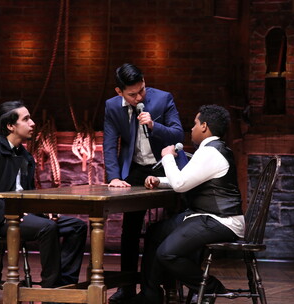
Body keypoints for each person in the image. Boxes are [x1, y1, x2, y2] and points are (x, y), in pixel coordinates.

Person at [0, 100, 87, 293]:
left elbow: (26, 193)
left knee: (77, 226)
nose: (33, 124)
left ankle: (65, 284)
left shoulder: (25, 156)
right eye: (26, 119)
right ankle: (51, 289)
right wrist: (5, 213)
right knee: (48, 228)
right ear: (10, 126)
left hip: (24, 216)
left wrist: (43, 211)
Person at [128, 104, 245, 304]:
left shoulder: (211, 152)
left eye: (194, 124)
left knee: (167, 253)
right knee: (155, 232)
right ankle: (151, 294)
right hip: (204, 216)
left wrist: (166, 158)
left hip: (222, 221)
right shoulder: (209, 150)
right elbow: (186, 178)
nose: (191, 128)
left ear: (204, 126)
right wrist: (160, 181)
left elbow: (181, 184)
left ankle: (210, 287)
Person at [103, 63, 184, 303]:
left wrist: (153, 125)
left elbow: (178, 135)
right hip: (136, 169)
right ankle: (127, 287)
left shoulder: (163, 99)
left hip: (165, 167)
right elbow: (109, 144)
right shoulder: (111, 107)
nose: (138, 96)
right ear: (119, 92)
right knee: (130, 229)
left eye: (141, 90)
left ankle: (166, 286)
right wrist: (114, 177)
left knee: (171, 228)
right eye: (132, 94)